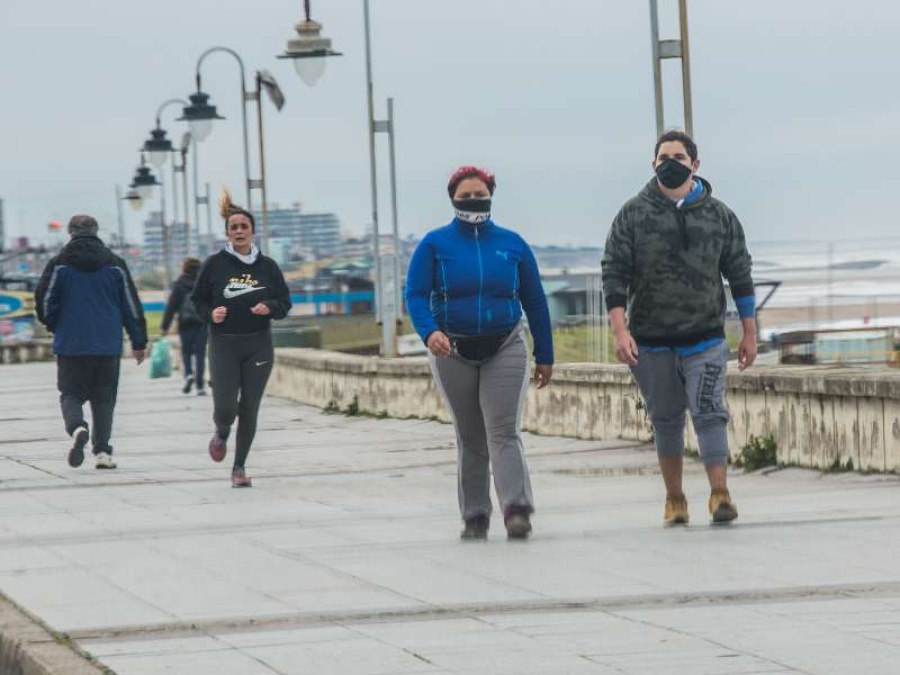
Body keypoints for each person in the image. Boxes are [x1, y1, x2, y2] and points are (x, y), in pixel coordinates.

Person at [601, 130, 757, 526]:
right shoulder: (632, 214)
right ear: (653, 164)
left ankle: (720, 493)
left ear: (695, 165)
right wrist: (621, 332)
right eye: (664, 157)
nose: (671, 163)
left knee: (709, 413)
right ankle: (675, 499)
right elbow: (614, 275)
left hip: (704, 337)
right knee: (666, 419)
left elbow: (740, 273)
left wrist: (750, 332)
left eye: (679, 157)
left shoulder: (719, 215)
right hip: (651, 341)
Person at [406, 165, 554, 540]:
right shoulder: (434, 245)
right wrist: (429, 333)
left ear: (491, 195)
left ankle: (517, 508)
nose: (474, 202)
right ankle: (475, 513)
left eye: (480, 195)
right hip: (452, 349)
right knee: (470, 436)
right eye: (466, 196)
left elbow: (535, 301)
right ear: (452, 199)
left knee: (503, 431)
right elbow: (416, 296)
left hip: (504, 344)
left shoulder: (513, 244)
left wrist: (546, 354)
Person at [191, 189, 292, 488]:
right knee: (225, 407)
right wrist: (211, 314)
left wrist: (270, 307)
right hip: (224, 344)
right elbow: (196, 301)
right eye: (233, 227)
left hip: (258, 344)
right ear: (227, 233)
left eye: (243, 226)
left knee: (249, 407)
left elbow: (285, 303)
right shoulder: (214, 265)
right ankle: (222, 431)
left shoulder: (268, 267)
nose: (239, 231)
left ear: (252, 231)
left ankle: (239, 467)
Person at [35, 215, 147, 470]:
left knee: (70, 394)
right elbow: (130, 304)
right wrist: (138, 341)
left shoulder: (59, 264)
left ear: (70, 232)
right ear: (96, 231)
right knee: (104, 399)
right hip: (107, 344)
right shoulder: (115, 264)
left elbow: (44, 300)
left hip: (71, 343)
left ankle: (77, 428)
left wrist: (54, 324)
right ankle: (103, 452)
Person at [161, 257, 207, 395]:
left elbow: (171, 307)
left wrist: (165, 326)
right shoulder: (204, 282)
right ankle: (200, 386)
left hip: (185, 323)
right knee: (200, 354)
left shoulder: (179, 283)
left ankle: (188, 374)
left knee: (186, 352)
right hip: (201, 323)